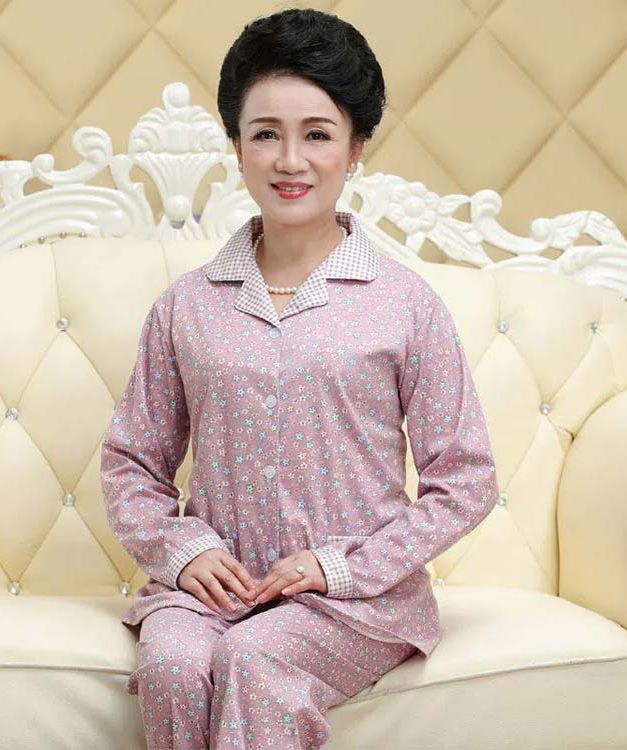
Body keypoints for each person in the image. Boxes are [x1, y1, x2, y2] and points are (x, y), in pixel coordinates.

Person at [100, 8, 499, 749]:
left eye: (317, 134)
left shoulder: (405, 304)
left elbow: (466, 479)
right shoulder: (187, 306)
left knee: (255, 659)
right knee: (173, 666)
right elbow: (132, 464)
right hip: (212, 590)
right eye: (265, 134)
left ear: (356, 148)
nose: (290, 160)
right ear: (236, 146)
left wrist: (342, 566)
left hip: (356, 598)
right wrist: (184, 553)